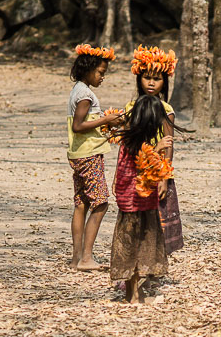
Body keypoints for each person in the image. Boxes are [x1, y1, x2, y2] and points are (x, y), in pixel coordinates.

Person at [110, 95, 177, 303]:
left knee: (134, 246)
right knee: (135, 247)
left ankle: (133, 293)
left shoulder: (129, 140)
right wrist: (158, 149)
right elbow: (140, 166)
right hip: (135, 203)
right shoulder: (138, 144)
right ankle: (134, 295)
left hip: (135, 202)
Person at [66, 44, 123, 271]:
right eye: (100, 72)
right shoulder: (85, 95)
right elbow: (79, 126)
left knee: (81, 204)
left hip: (78, 154)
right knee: (100, 203)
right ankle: (87, 258)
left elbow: (82, 125)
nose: (102, 77)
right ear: (88, 69)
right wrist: (105, 121)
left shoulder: (77, 89)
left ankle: (76, 258)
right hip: (89, 155)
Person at [125, 45, 184, 256]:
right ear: (138, 78)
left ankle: (153, 264)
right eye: (147, 77)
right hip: (137, 171)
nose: (151, 83)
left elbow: (168, 144)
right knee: (137, 218)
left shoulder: (166, 110)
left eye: (157, 79)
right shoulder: (131, 107)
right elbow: (127, 143)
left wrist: (164, 177)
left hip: (158, 172)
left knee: (158, 221)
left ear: (164, 82)